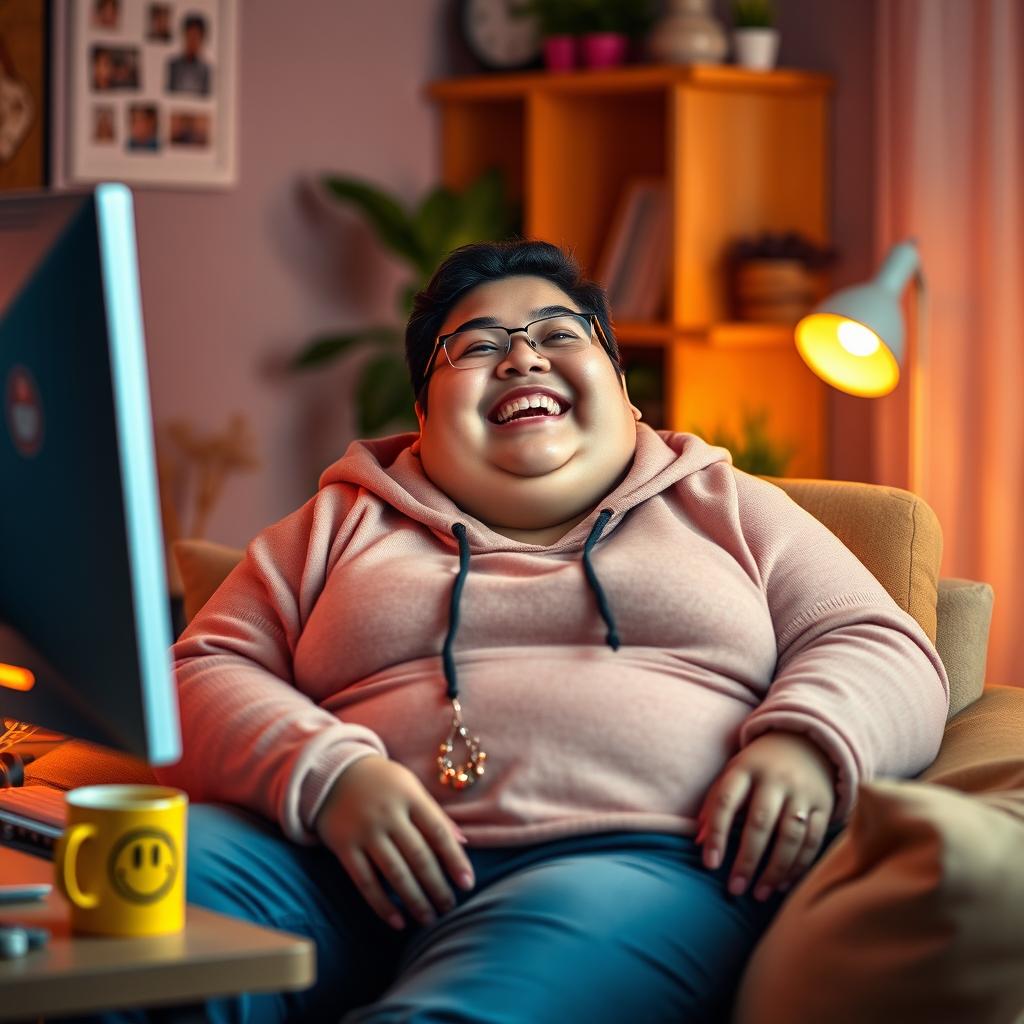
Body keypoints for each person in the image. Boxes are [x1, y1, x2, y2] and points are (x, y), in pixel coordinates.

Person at [72, 240, 950, 1023]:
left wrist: (805, 741)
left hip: (622, 870)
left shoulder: (728, 504)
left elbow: (881, 643)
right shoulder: (339, 520)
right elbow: (197, 673)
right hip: (324, 862)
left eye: (560, 334)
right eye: (479, 346)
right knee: (116, 933)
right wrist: (330, 776)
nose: (523, 354)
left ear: (620, 385)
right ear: (422, 411)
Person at [166, 13, 212, 96]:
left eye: (196, 38)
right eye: (190, 36)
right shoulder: (173, 66)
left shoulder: (205, 70)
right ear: (184, 36)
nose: (192, 42)